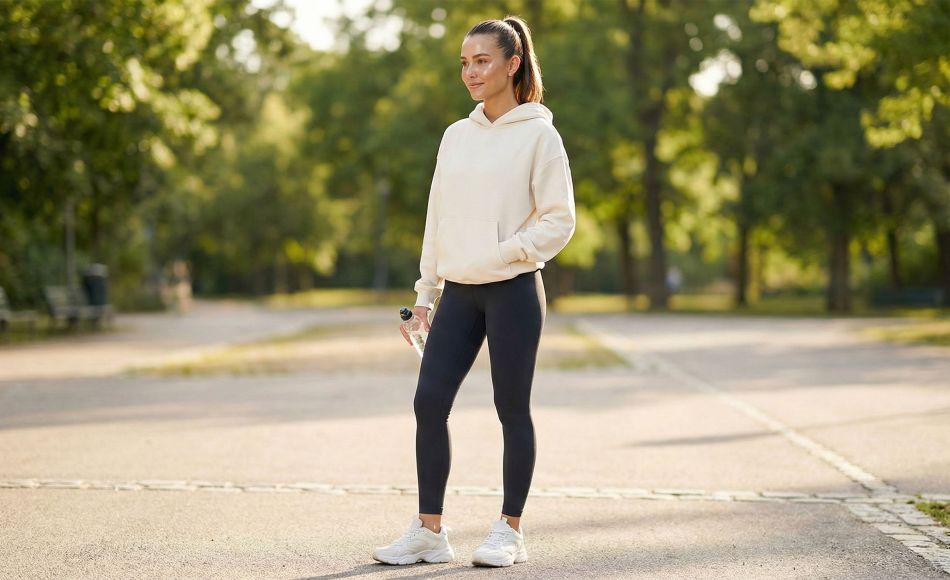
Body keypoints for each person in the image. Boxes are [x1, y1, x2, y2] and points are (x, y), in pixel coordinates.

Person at [374, 15, 576, 568]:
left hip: (512, 290)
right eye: (464, 62)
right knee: (428, 402)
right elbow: (436, 219)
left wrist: (506, 252)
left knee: (511, 408)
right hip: (459, 294)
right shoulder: (455, 136)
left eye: (482, 60)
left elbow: (559, 222)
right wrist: (424, 295)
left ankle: (510, 529)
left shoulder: (540, 135)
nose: (470, 71)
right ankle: (429, 532)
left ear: (513, 64)